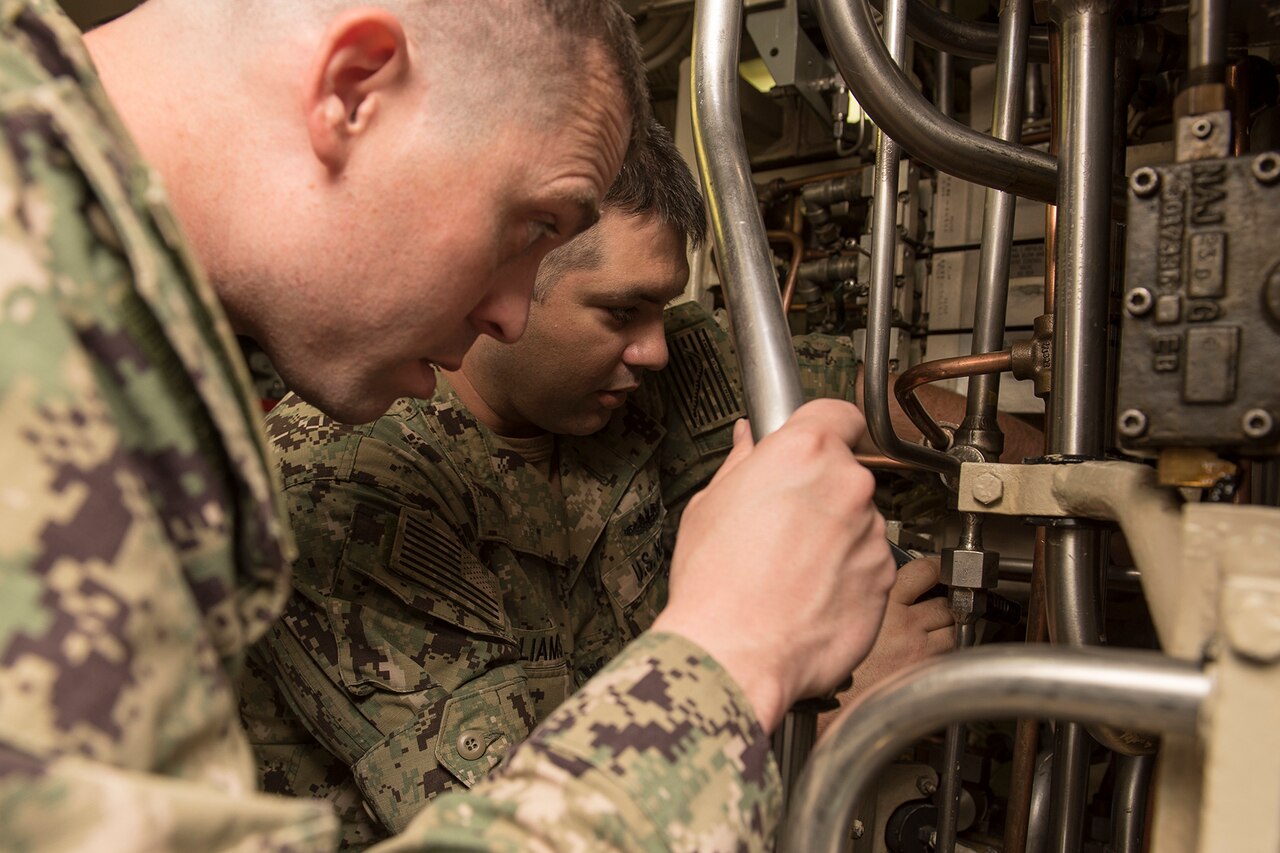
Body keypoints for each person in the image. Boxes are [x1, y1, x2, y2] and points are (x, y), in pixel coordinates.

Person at [0, 1, 898, 850]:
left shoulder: (89, 295)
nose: (512, 315)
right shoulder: (33, 314)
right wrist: (739, 661)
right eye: (528, 227)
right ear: (354, 92)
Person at [246, 120, 1040, 846]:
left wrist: (1061, 485)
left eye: (662, 305)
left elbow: (879, 400)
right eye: (621, 311)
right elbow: (537, 825)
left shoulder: (665, 366)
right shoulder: (347, 488)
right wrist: (831, 703)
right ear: (506, 282)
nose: (655, 349)